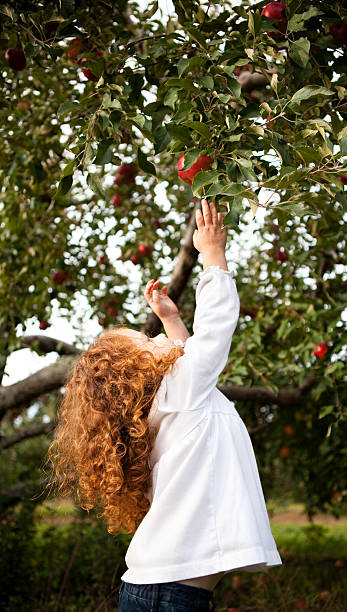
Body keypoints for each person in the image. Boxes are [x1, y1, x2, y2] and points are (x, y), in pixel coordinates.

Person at [47, 199, 281, 612]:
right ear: (135, 372)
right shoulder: (177, 396)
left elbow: (192, 362)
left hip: (161, 591)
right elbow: (210, 341)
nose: (154, 337)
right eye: (145, 340)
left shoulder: (164, 409)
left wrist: (172, 320)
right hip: (167, 595)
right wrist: (213, 257)